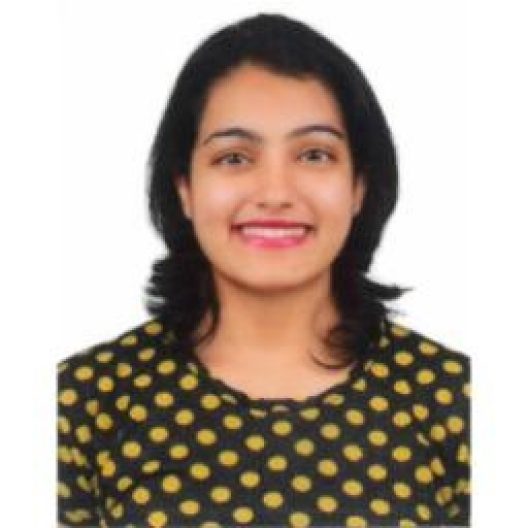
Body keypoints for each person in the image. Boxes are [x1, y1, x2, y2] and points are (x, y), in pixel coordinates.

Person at [57, 13, 470, 528]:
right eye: (234, 158)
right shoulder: (82, 404)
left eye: (314, 155)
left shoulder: (458, 401)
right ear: (184, 189)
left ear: (359, 187)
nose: (275, 193)